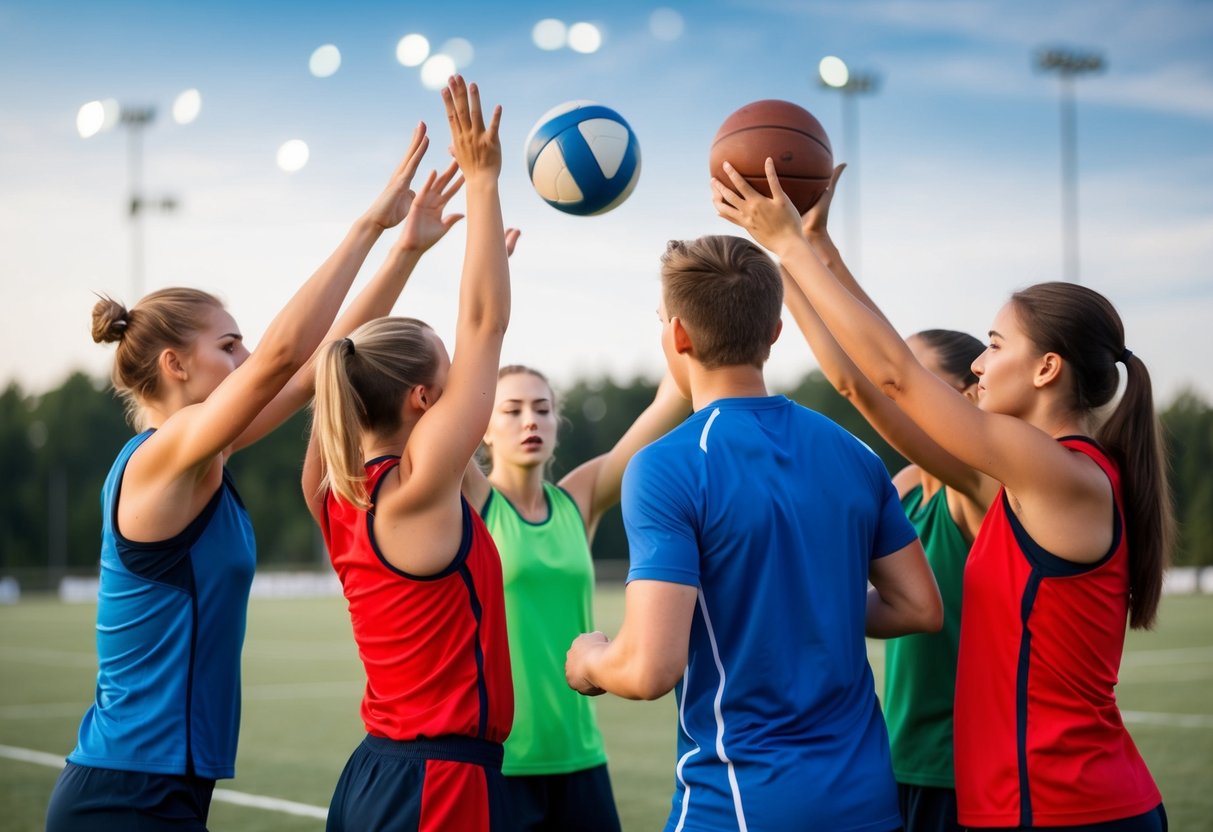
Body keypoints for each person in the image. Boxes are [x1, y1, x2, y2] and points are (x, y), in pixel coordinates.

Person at [713, 159, 1172, 830]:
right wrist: (816, 252)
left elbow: (897, 376)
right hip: (1036, 805)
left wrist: (784, 245)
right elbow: (866, 388)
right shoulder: (1024, 482)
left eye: (992, 344)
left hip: (1064, 808)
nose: (979, 364)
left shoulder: (1055, 472)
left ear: (1046, 368)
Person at [45, 114, 453, 831]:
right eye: (228, 346)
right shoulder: (159, 462)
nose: (244, 358)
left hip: (164, 787)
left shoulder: (204, 460)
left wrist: (405, 252)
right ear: (174, 364)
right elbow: (281, 360)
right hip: (123, 793)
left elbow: (317, 368)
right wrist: (368, 225)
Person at [564, 233, 944, 832]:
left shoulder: (668, 466)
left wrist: (587, 661)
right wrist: (815, 604)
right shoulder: (854, 454)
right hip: (867, 803)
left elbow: (647, 671)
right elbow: (920, 606)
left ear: (678, 336)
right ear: (774, 331)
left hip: (740, 804)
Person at [303, 75, 514, 832]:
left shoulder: (331, 486)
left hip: (375, 775)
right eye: (451, 383)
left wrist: (409, 250)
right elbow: (484, 323)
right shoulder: (416, 492)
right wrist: (484, 183)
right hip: (437, 786)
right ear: (425, 402)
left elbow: (336, 356)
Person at [782, 167, 998, 832]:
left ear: (964, 396)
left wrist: (783, 255)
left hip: (958, 767)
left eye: (919, 382)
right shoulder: (902, 485)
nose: (901, 396)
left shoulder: (979, 489)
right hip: (890, 757)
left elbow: (864, 381)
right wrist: (818, 250)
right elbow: (872, 360)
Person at [463, 365, 688, 831]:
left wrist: (684, 329)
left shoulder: (576, 501)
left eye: (542, 409)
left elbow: (669, 403)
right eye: (512, 410)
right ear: (482, 427)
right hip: (502, 763)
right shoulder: (473, 499)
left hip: (581, 756)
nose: (531, 421)